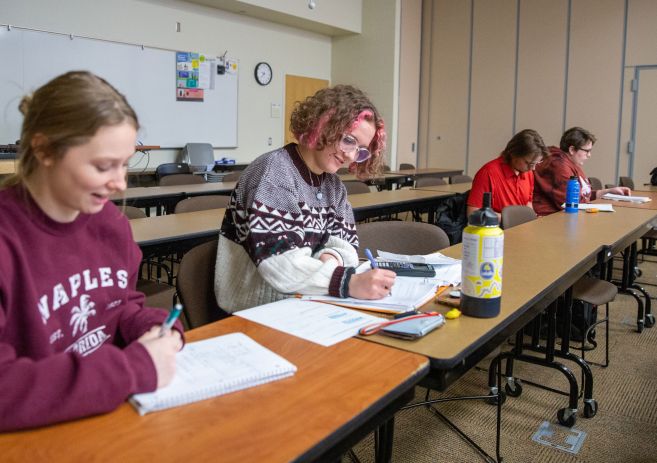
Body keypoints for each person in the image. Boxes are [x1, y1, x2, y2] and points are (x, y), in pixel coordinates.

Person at [0, 71, 183, 432]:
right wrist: (136, 368)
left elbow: (120, 304)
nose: (120, 184)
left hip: (106, 413)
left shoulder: (111, 224)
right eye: (103, 166)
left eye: (126, 163)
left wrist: (155, 327)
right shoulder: (8, 239)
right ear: (43, 149)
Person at [215, 85, 396, 312]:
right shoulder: (273, 173)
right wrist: (348, 281)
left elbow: (348, 247)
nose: (350, 155)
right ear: (324, 125)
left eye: (360, 150)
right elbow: (280, 265)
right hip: (257, 308)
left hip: (307, 298)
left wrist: (331, 257)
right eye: (349, 140)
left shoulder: (335, 187)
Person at [533, 127, 631, 215]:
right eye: (586, 151)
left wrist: (608, 192)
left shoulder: (570, 162)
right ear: (572, 150)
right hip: (551, 220)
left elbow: (582, 196)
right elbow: (572, 204)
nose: (589, 155)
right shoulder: (559, 166)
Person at [467, 129, 549, 219]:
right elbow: (473, 213)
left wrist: (533, 218)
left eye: (536, 164)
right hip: (498, 230)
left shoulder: (528, 173)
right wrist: (509, 218)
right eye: (529, 163)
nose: (533, 168)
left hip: (520, 228)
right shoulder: (488, 173)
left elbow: (527, 203)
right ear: (514, 154)